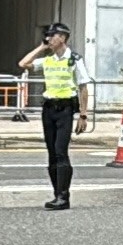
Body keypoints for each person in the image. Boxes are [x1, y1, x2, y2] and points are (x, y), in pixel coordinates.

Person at [26, 23, 89, 210]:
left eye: (52, 36)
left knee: (61, 151)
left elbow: (83, 87)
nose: (49, 39)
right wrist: (41, 47)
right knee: (52, 153)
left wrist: (83, 116)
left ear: (62, 38)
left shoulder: (74, 60)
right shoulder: (48, 59)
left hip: (65, 110)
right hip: (49, 110)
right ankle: (56, 195)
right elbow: (24, 64)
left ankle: (64, 197)